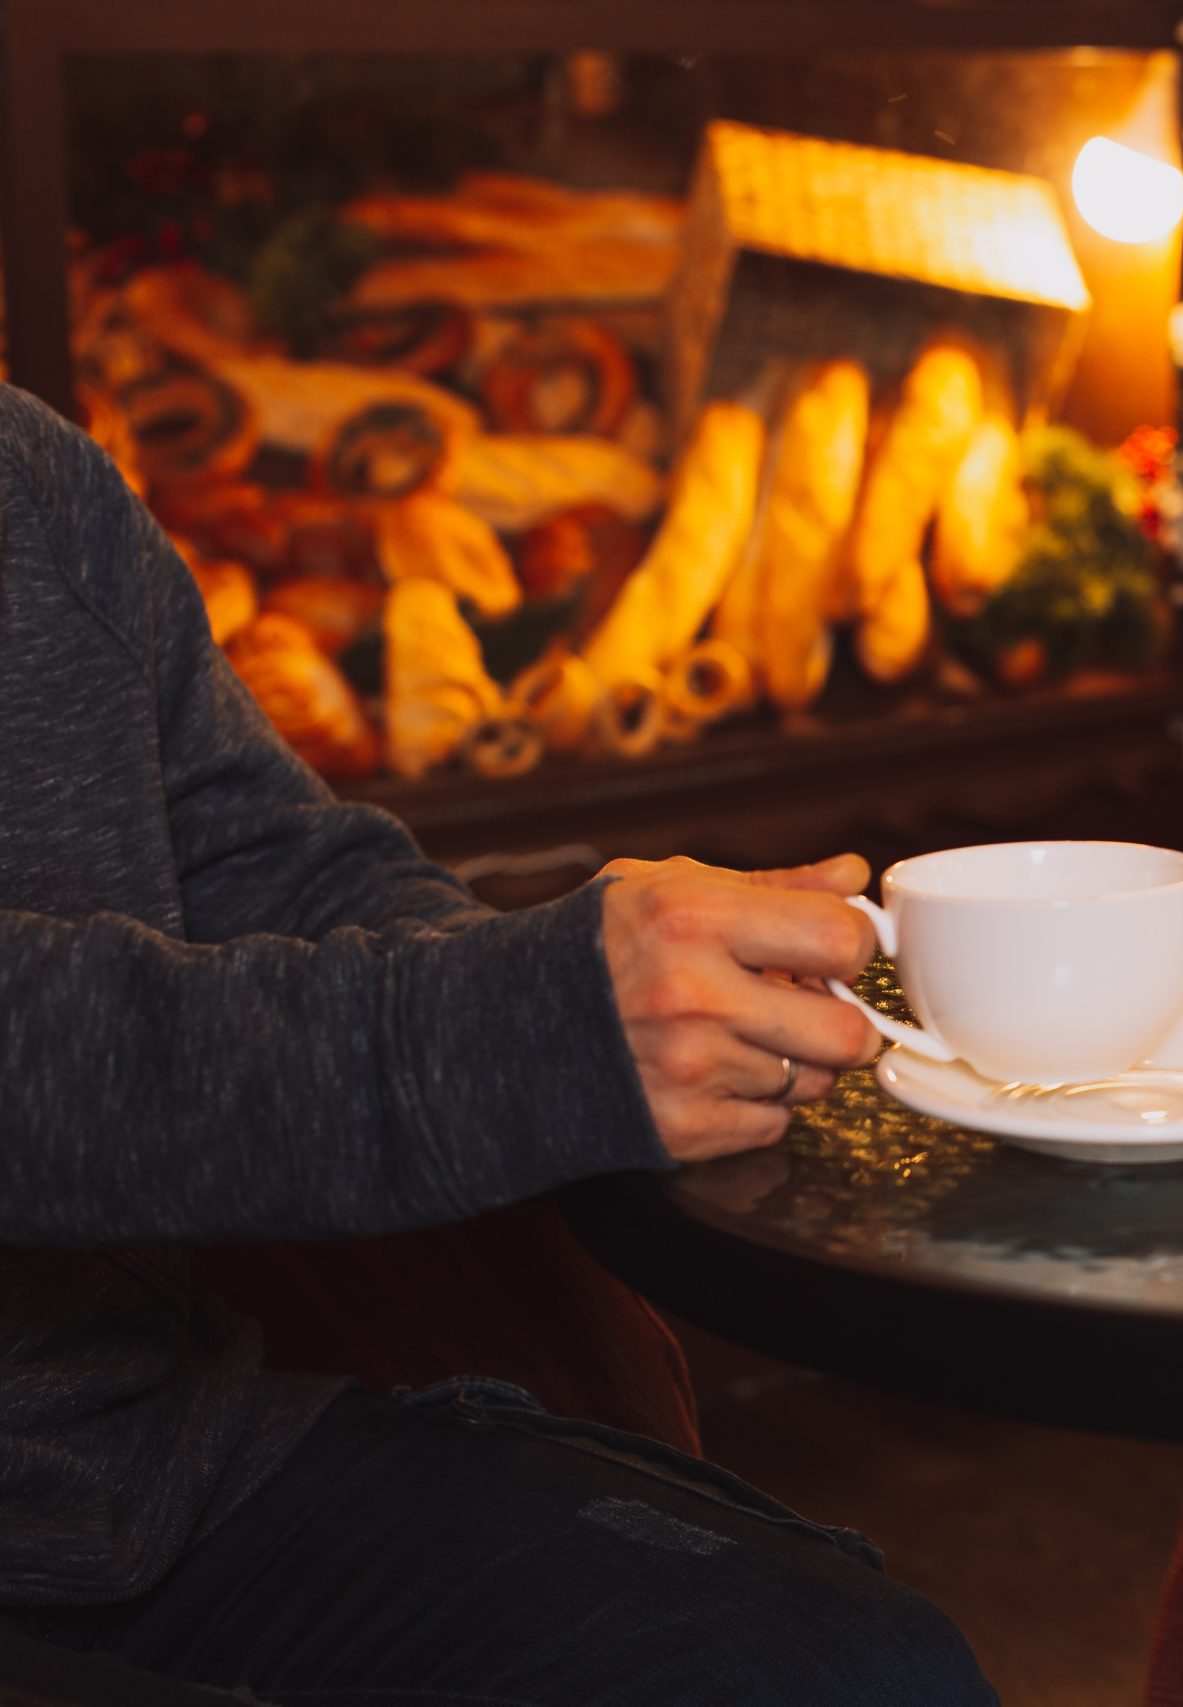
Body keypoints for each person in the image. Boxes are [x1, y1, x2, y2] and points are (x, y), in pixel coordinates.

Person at [0, 386, 992, 1704]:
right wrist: (531, 1035)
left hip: (148, 1471)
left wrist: (621, 973)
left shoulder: (31, 477)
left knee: (858, 1673)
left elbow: (271, 866)